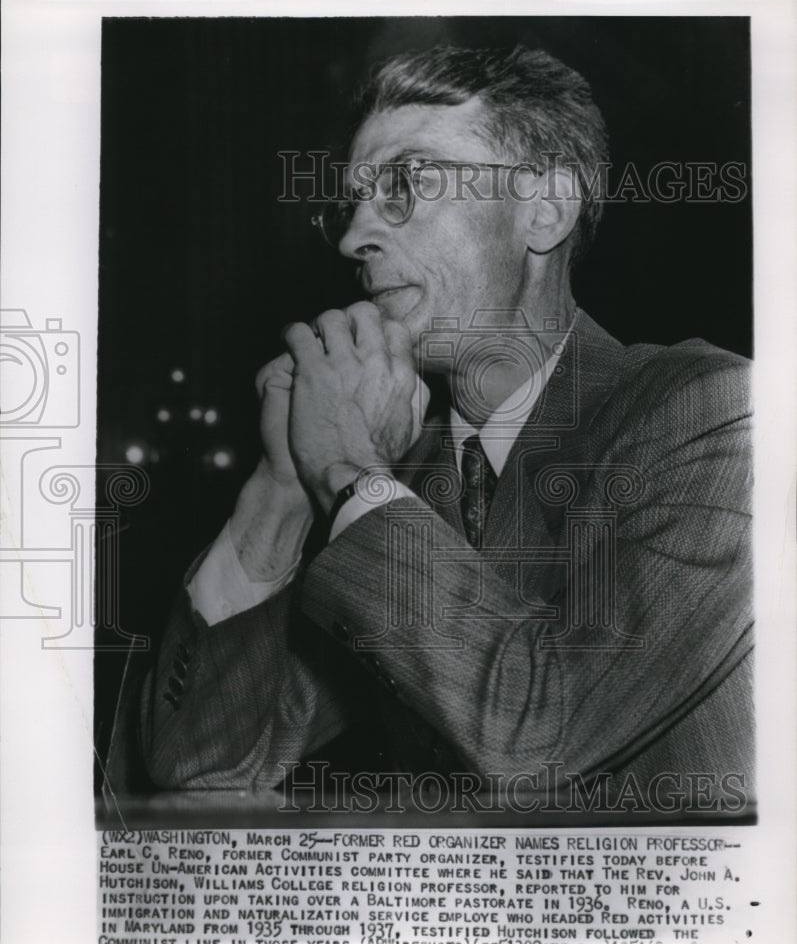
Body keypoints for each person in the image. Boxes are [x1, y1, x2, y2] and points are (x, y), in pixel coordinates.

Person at [136, 45, 753, 810]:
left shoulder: (712, 415)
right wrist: (285, 485)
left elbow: (541, 737)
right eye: (351, 201)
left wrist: (346, 473)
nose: (352, 237)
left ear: (544, 209)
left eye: (406, 184)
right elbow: (202, 765)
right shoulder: (398, 481)